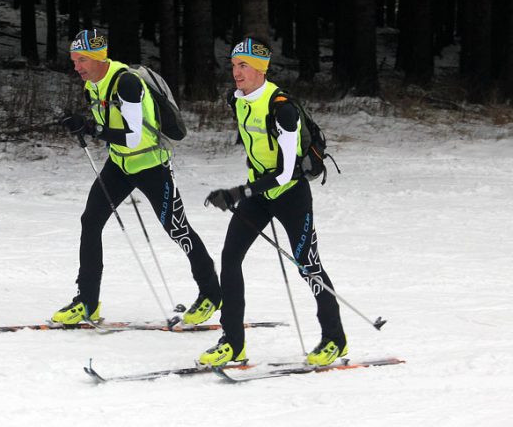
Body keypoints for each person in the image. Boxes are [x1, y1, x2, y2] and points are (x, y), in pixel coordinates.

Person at [53, 29, 222, 326]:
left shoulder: (127, 83)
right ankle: (87, 301)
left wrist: (92, 129)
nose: (77, 66)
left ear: (98, 57)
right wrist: (82, 125)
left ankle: (211, 293)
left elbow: (133, 138)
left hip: (151, 166)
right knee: (90, 222)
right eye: (74, 60)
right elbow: (111, 131)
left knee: (178, 229)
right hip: (119, 165)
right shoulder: (92, 85)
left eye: (82, 60)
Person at [199, 36, 347, 367]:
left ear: (261, 69)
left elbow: (285, 173)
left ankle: (334, 338)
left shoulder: (283, 109)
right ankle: (233, 343)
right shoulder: (236, 99)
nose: (236, 72)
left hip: (289, 195)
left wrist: (237, 193)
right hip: (258, 194)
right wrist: (246, 190)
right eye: (234, 65)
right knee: (230, 258)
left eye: (244, 66)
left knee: (308, 266)